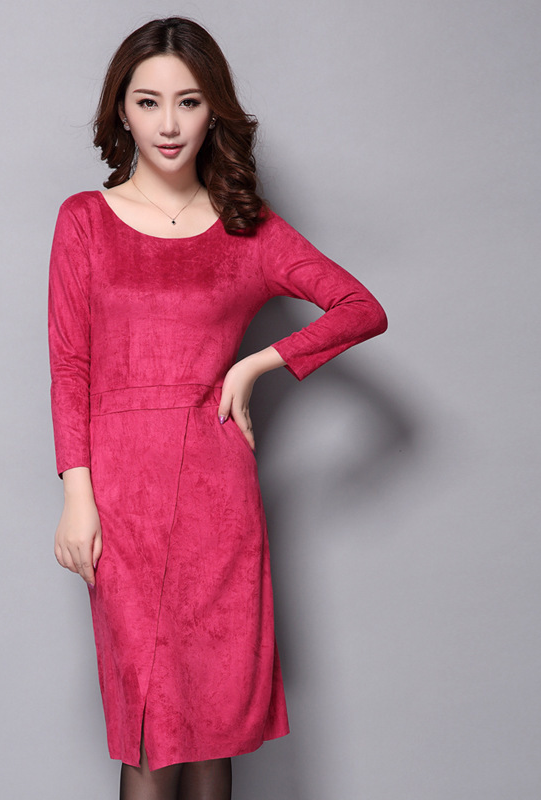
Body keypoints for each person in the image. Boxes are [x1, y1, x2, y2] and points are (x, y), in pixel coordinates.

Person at [48, 17, 387, 800]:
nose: (168, 124)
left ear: (214, 111)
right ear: (121, 110)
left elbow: (360, 307)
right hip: (120, 501)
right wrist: (77, 497)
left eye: (189, 101)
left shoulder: (247, 229)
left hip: (216, 493)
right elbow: (69, 367)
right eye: (148, 102)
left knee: (211, 724)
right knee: (150, 726)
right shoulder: (83, 221)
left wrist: (262, 362)